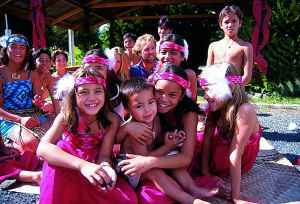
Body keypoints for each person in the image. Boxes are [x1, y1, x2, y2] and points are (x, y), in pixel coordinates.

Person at [37, 66, 138, 204]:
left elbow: (104, 155)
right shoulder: (66, 116)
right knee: (59, 149)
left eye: (98, 91)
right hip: (69, 164)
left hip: (95, 164)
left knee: (127, 199)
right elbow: (42, 148)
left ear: (105, 94)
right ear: (74, 95)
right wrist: (83, 166)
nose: (92, 98)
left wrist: (106, 168)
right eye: (84, 92)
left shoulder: (112, 120)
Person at [119, 64, 214, 204]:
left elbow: (184, 158)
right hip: (136, 166)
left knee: (171, 159)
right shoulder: (142, 121)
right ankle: (190, 200)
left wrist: (168, 145)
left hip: (160, 157)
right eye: (159, 92)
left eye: (172, 95)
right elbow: (141, 161)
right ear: (152, 89)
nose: (163, 99)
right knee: (154, 175)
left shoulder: (180, 113)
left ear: (181, 96)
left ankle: (192, 187)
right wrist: (127, 128)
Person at [197, 63, 261, 203]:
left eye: (209, 90)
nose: (205, 96)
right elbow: (207, 141)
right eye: (203, 91)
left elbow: (236, 153)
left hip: (239, 157)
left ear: (229, 87)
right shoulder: (215, 108)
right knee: (195, 142)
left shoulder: (245, 110)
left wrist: (236, 196)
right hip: (221, 151)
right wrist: (206, 172)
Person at [0, 34, 43, 152]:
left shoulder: (32, 73)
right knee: (32, 142)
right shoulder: (1, 73)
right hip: (8, 118)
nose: (17, 50)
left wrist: (38, 102)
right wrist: (19, 119)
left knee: (57, 137)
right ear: (6, 49)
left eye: (22, 47)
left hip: (32, 116)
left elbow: (38, 103)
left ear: (27, 51)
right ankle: (10, 144)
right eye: (13, 46)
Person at [206, 5, 253, 85]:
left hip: (235, 92)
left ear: (240, 23)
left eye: (234, 21)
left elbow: (247, 78)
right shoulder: (213, 46)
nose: (230, 25)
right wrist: (205, 84)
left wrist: (225, 81)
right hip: (216, 91)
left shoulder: (245, 47)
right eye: (226, 22)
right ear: (221, 24)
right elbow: (207, 74)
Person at [157, 34, 197, 101]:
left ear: (182, 57)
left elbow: (194, 99)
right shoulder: (154, 75)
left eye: (173, 53)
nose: (167, 56)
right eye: (163, 52)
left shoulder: (189, 75)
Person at [32, 48, 60, 115]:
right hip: (24, 109)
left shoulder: (48, 76)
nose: (44, 63)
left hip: (38, 108)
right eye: (41, 60)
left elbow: (54, 98)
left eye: (47, 60)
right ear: (34, 62)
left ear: (50, 62)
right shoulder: (32, 74)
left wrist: (59, 117)